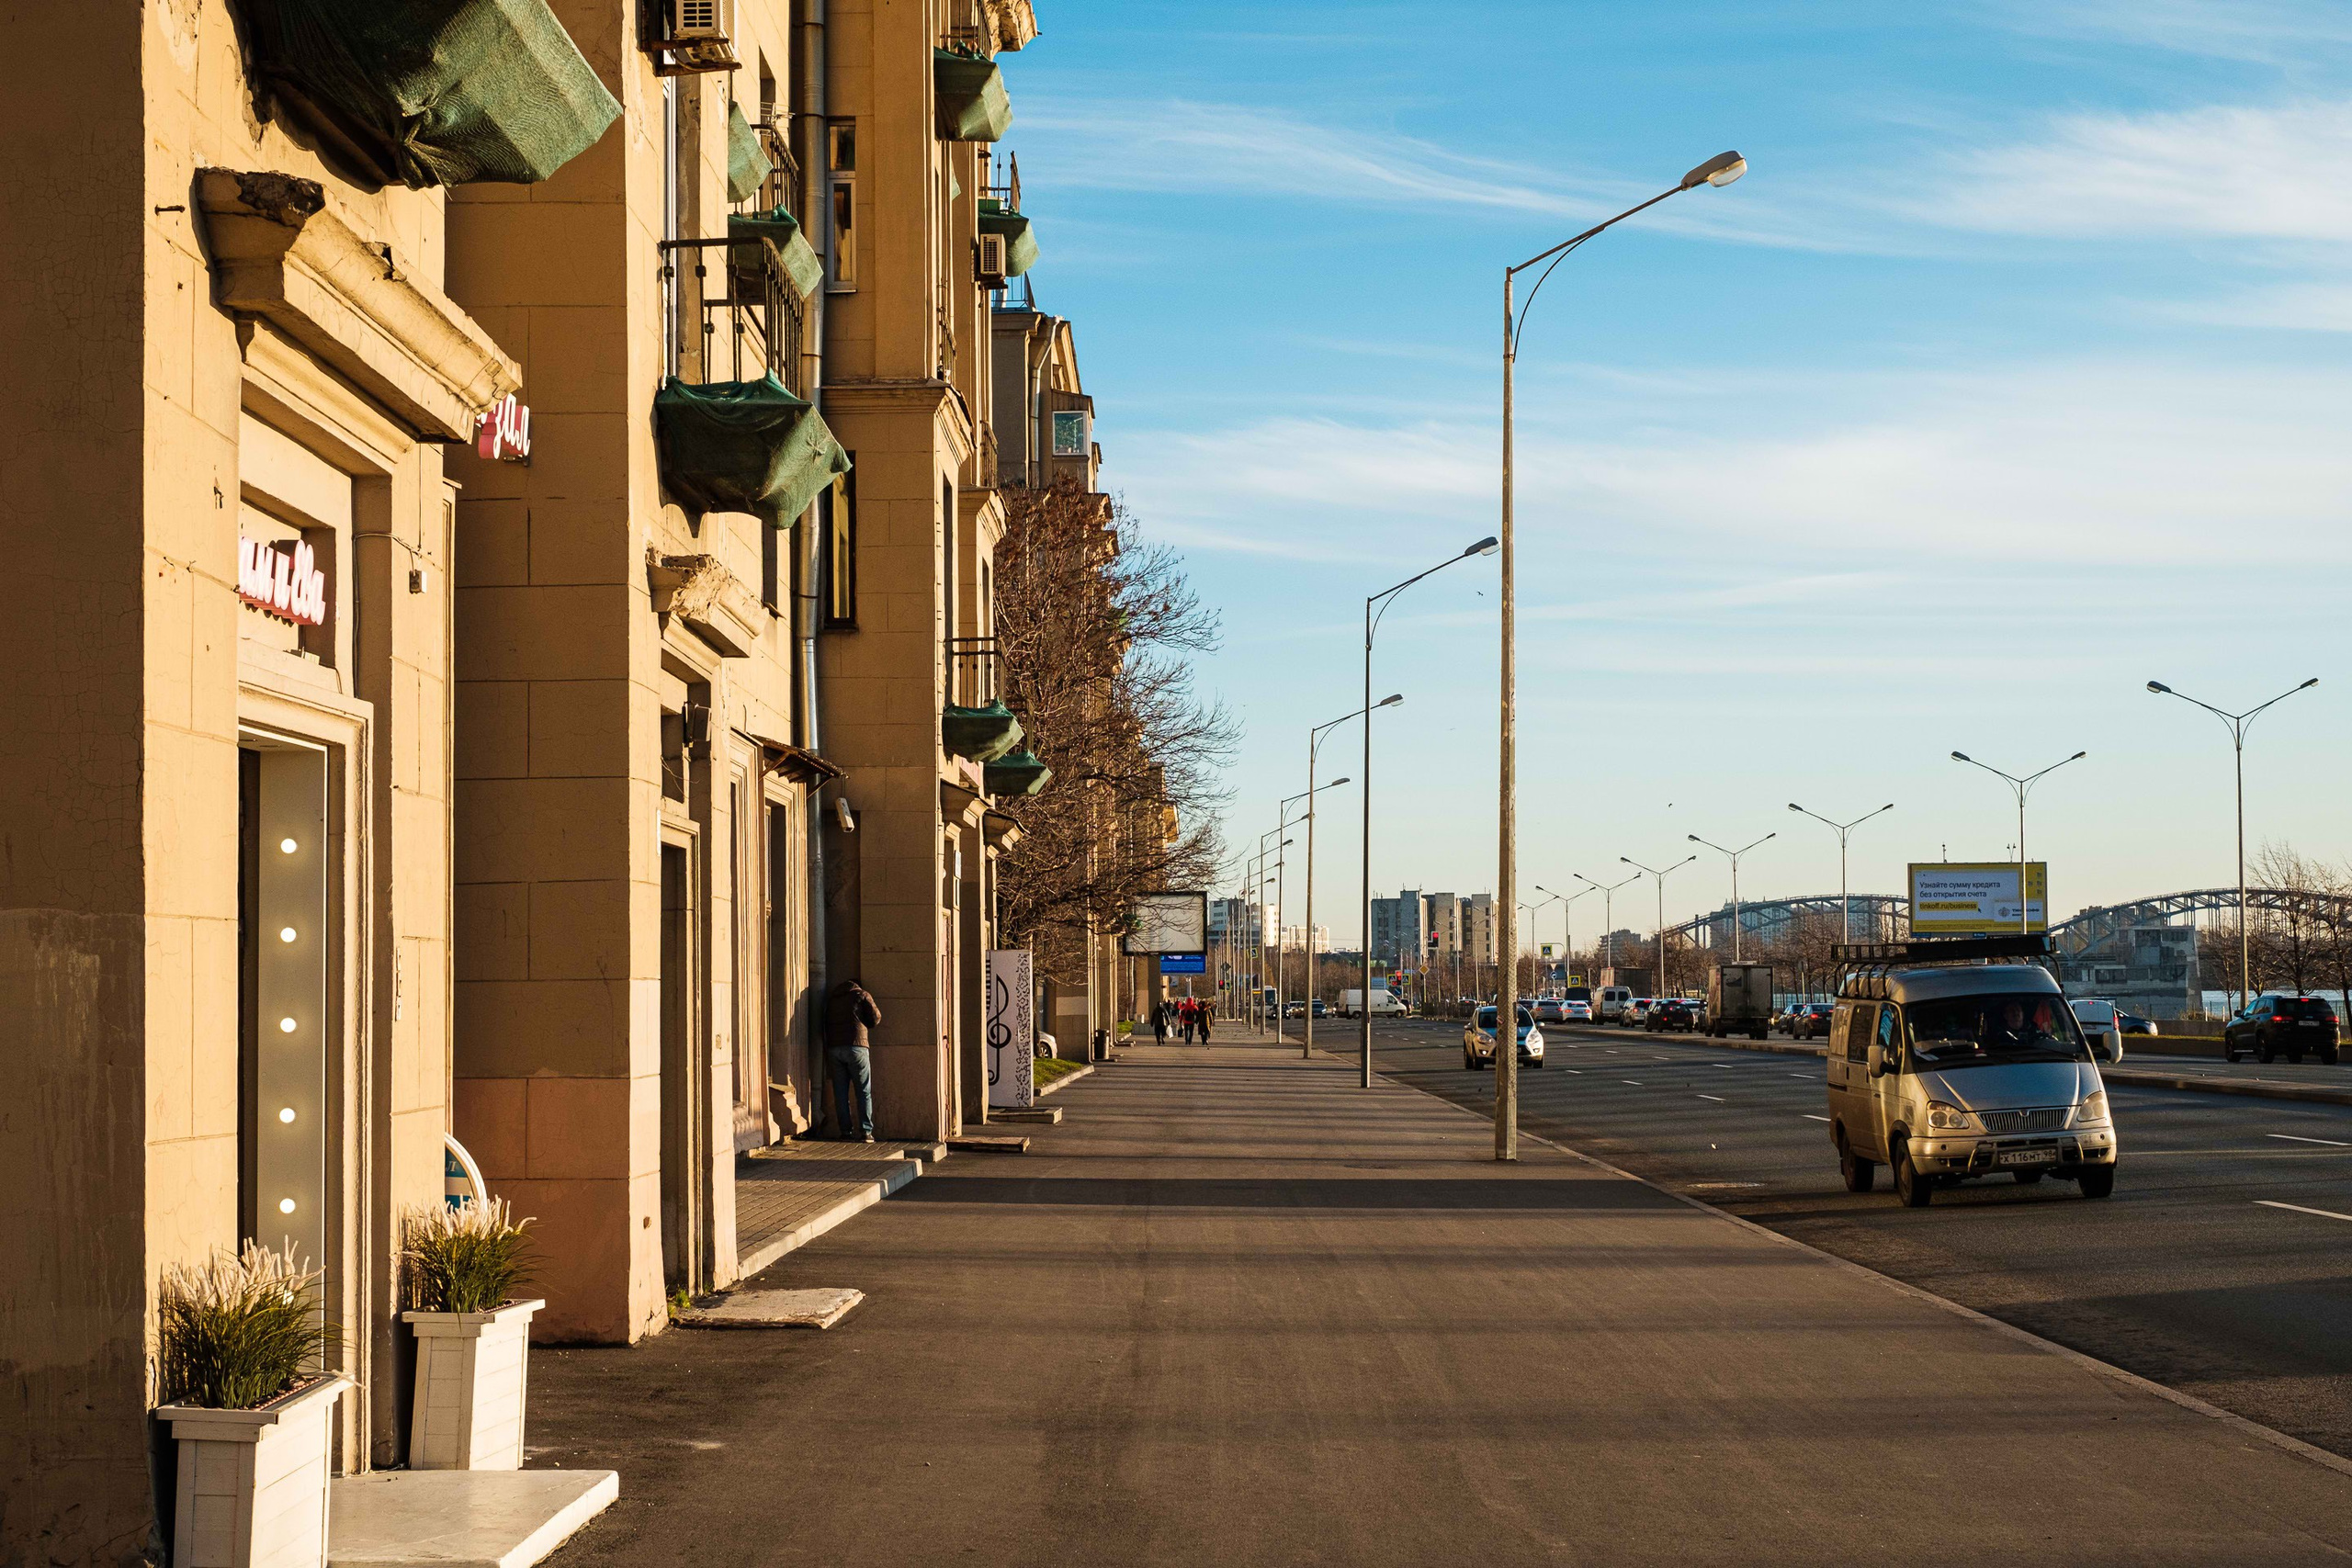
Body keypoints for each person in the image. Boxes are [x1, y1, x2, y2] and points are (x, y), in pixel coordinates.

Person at [823, 977, 881, 1142]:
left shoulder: (832, 1000)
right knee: (863, 1091)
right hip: (857, 1047)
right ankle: (866, 1132)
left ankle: (845, 1132)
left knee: (840, 1093)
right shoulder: (862, 995)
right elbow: (876, 1018)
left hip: (834, 1049)